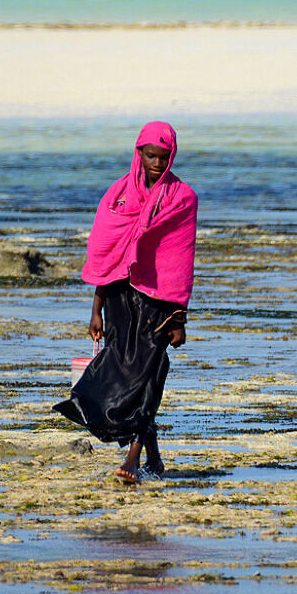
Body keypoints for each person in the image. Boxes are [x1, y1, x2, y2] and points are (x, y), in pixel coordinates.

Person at [53, 121, 198, 484]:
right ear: (139, 154)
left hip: (159, 300)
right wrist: (96, 309)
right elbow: (105, 253)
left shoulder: (182, 199)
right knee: (120, 369)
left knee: (149, 372)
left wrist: (179, 319)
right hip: (119, 295)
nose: (157, 163)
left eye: (164, 157)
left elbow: (181, 260)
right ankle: (153, 454)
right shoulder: (117, 196)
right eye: (150, 156)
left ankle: (134, 456)